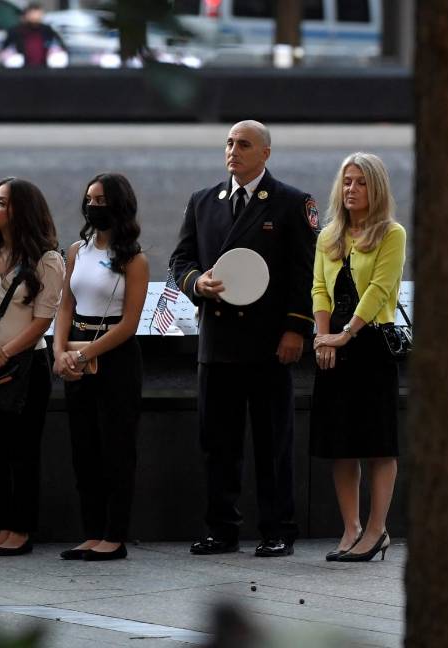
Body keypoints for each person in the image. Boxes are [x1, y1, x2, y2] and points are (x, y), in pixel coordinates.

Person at [169, 120, 318, 558]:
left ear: (265, 153)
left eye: (244, 144)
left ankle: (277, 530)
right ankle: (221, 530)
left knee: (273, 444)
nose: (233, 151)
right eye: (230, 143)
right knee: (217, 445)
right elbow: (181, 259)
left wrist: (295, 328)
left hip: (270, 344)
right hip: (217, 344)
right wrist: (197, 283)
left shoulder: (292, 203)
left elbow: (304, 273)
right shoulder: (203, 202)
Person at [311, 153, 406, 563]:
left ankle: (376, 530)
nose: (351, 189)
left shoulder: (392, 234)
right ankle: (349, 528)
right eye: (347, 181)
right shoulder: (328, 235)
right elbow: (318, 289)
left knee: (377, 443)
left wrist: (345, 335)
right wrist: (322, 338)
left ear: (377, 188)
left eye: (361, 182)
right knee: (341, 444)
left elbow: (380, 291)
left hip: (370, 346)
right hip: (332, 345)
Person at [0, 177, 64, 557]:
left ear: (21, 211)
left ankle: (20, 530)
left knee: (23, 452)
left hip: (27, 366)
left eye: (2, 202)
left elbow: (43, 320)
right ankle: (0, 526)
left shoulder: (47, 260)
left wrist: (4, 352)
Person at [53, 173, 148, 562]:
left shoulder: (134, 259)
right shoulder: (76, 250)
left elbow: (130, 323)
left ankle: (114, 535)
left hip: (115, 356)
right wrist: (59, 352)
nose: (94, 206)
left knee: (116, 449)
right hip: (76, 353)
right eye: (90, 198)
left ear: (120, 207)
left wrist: (86, 353)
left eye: (102, 200)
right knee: (84, 449)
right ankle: (91, 532)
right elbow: (64, 305)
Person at [0, 2, 67, 68]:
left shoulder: (47, 30)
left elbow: (61, 45)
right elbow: (5, 49)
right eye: (32, 14)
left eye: (38, 14)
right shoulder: (15, 31)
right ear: (26, 15)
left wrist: (54, 51)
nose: (35, 17)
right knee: (15, 60)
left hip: (44, 66)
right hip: (22, 67)